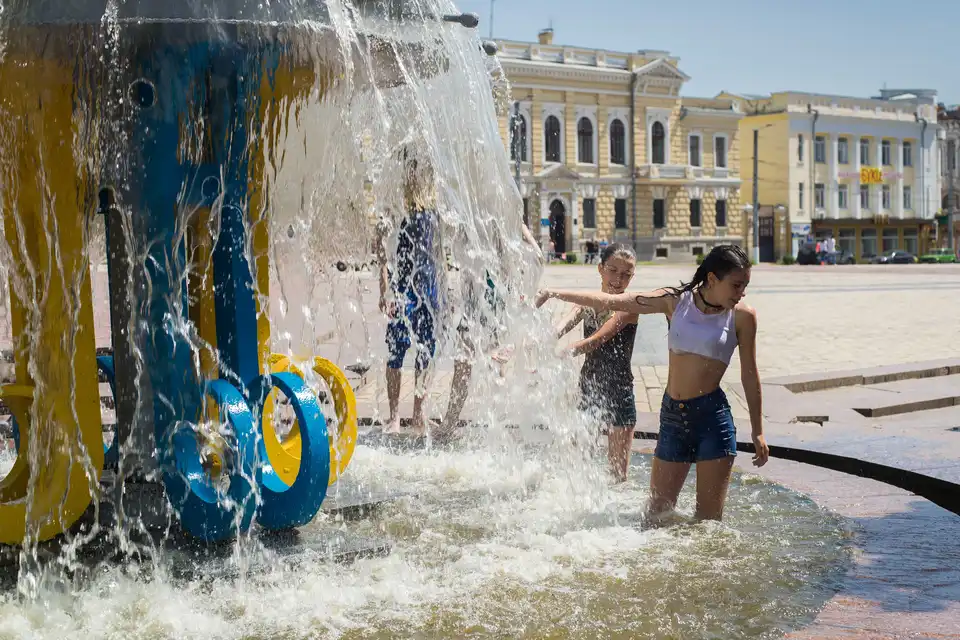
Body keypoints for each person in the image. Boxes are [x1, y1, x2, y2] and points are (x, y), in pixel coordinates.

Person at [536, 244, 769, 522]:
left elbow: (750, 375)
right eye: (736, 285)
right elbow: (614, 301)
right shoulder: (675, 301)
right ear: (711, 279)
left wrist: (757, 431)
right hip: (673, 418)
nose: (741, 292)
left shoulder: (743, 316)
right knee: (656, 517)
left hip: (712, 419)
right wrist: (553, 293)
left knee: (708, 524)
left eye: (745, 285)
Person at [438, 220, 543, 437]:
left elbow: (537, 256)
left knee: (467, 363)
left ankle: (452, 425)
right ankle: (495, 429)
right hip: (486, 298)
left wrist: (525, 294)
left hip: (488, 297)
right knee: (485, 364)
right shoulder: (497, 216)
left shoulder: (485, 216)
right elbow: (537, 256)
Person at [553, 243, 639, 482]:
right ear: (601, 269)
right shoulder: (587, 303)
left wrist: (562, 352)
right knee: (579, 464)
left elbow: (596, 340)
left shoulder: (628, 307)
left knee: (617, 474)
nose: (618, 279)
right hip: (589, 387)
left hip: (619, 390)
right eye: (613, 270)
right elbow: (557, 329)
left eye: (626, 274)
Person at [376, 149, 443, 436]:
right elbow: (380, 252)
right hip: (403, 290)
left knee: (425, 353)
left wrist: (444, 293)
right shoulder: (394, 209)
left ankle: (417, 414)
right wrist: (384, 291)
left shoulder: (434, 213)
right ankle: (394, 416)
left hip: (427, 289)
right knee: (396, 352)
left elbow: (439, 255)